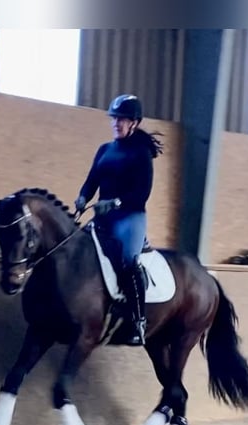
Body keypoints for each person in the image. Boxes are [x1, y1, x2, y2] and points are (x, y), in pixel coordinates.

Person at [74, 94, 164, 346]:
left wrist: (115, 202)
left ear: (134, 123)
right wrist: (82, 197)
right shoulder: (105, 149)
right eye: (114, 119)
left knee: (128, 261)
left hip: (130, 217)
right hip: (103, 216)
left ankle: (138, 323)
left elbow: (142, 192)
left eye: (121, 120)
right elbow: (92, 180)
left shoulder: (141, 152)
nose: (116, 123)